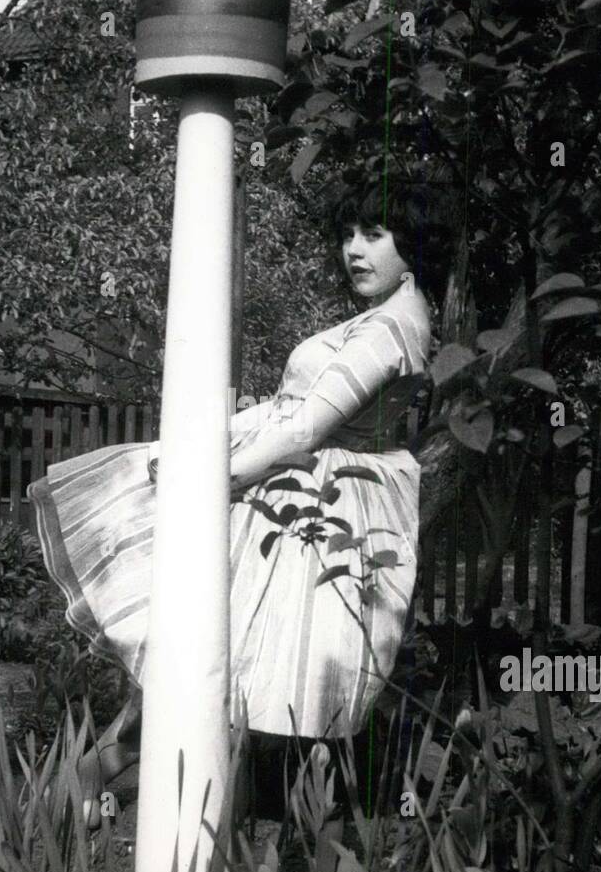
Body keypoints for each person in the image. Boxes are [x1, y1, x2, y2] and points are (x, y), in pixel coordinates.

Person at [27, 175, 445, 822]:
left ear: (412, 241)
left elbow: (306, 428)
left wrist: (209, 480)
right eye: (348, 234)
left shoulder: (393, 330)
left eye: (374, 234)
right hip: (281, 491)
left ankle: (175, 818)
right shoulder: (384, 319)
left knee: (217, 665)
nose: (354, 250)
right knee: (196, 655)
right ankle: (99, 796)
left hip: (309, 504)